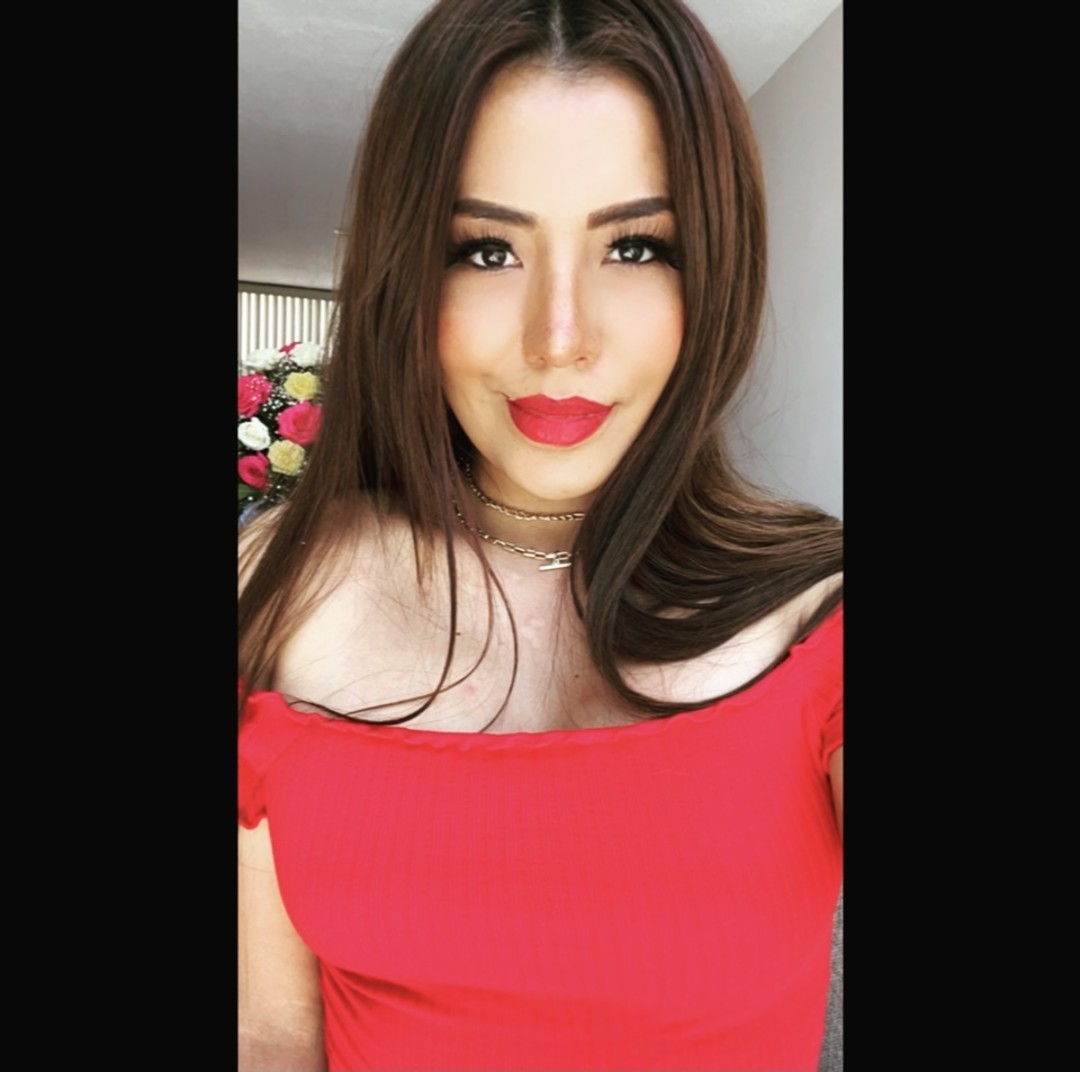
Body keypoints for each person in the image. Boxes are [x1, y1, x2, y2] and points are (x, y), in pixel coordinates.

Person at [238, 1, 843, 1069]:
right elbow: (273, 1035)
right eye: (485, 250)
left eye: (635, 246)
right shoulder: (283, 581)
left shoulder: (818, 617)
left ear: (715, 270)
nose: (560, 339)